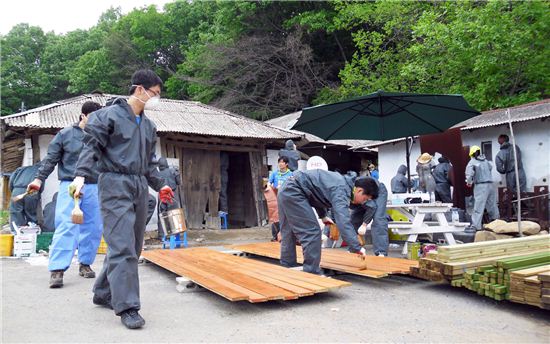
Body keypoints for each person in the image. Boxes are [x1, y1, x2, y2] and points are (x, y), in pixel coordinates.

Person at [71, 70, 173, 329]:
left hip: (139, 184)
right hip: (114, 183)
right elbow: (91, 147)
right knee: (122, 247)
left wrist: (161, 185)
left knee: (133, 246)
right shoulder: (107, 117)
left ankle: (103, 291)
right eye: (155, 93)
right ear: (140, 90)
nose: (156, 99)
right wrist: (81, 177)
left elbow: (149, 164)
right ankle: (128, 306)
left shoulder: (149, 126)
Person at [26, 101, 103, 288]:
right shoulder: (65, 134)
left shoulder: (101, 137)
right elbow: (50, 159)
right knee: (67, 225)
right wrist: (38, 179)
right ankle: (57, 270)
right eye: (93, 118)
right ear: (83, 116)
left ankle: (85, 263)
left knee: (94, 227)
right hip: (70, 185)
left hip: (94, 186)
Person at [277, 169, 374, 274]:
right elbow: (343, 221)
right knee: (312, 232)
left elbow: (316, 193)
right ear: (359, 190)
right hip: (295, 191)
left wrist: (323, 216)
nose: (364, 202)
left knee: (288, 231)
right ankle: (311, 272)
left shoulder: (340, 182)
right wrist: (357, 247)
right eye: (365, 198)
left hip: (286, 189)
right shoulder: (342, 189)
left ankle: (288, 266)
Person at [465, 146, 500, 231]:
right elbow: (490, 168)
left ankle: (476, 226)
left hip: (480, 186)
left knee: (478, 206)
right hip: (490, 185)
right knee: (492, 205)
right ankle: (496, 223)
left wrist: (469, 182)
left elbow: (469, 174)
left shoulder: (472, 162)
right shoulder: (485, 160)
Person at [352, 177, 389, 256]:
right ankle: (354, 248)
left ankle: (381, 252)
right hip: (363, 193)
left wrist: (364, 224)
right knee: (354, 218)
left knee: (378, 219)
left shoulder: (361, 192)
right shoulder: (344, 190)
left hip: (378, 191)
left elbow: (372, 207)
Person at [9, 162, 43, 231]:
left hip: (17, 190)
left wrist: (14, 191)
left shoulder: (21, 169)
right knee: (31, 215)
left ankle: (16, 234)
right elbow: (41, 186)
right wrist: (38, 194)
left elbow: (11, 181)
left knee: (16, 213)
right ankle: (31, 234)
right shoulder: (41, 171)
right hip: (32, 192)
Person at [156, 157, 181, 238]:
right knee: (174, 215)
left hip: (161, 195)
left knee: (161, 215)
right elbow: (179, 182)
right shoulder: (173, 171)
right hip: (171, 194)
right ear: (166, 163)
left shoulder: (157, 174)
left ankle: (161, 236)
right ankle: (175, 235)